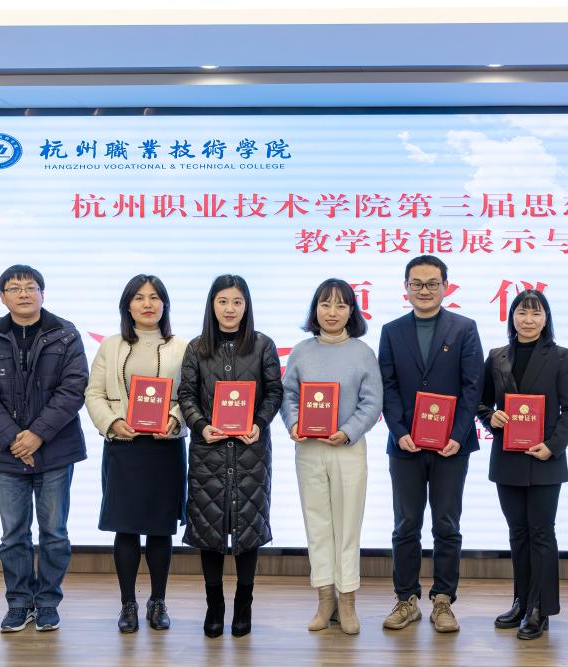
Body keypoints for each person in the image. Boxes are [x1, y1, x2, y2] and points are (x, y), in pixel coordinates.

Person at [0, 265, 88, 633]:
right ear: (2, 297)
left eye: (30, 287)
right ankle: (19, 603)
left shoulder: (66, 334)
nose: (23, 293)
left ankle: (48, 602)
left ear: (42, 294)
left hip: (56, 449)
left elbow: (73, 389)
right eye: (14, 288)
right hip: (6, 453)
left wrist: (37, 434)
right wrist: (14, 439)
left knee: (55, 533)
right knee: (13, 535)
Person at [378, 255, 484, 633]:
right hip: (405, 444)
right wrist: (399, 430)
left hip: (451, 447)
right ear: (406, 288)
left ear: (445, 287)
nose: (424, 290)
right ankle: (406, 599)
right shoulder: (391, 331)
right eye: (417, 283)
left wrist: (457, 434)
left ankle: (443, 600)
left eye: (432, 283)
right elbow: (387, 385)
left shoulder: (464, 328)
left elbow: (473, 386)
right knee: (405, 524)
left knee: (446, 524)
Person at [177, 275, 283, 638]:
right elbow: (186, 394)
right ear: (212, 305)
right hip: (208, 450)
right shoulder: (196, 348)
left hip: (251, 451)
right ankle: (214, 606)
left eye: (237, 302)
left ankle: (243, 605)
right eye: (223, 301)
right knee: (209, 529)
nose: (230, 309)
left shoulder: (263, 345)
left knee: (247, 528)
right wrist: (201, 425)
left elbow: (274, 392)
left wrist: (259, 423)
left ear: (246, 306)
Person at [84, 275, 188, 633]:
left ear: (165, 305)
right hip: (124, 447)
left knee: (160, 530)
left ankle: (158, 602)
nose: (147, 304)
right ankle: (127, 604)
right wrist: (112, 422)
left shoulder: (182, 347)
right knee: (125, 529)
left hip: (165, 448)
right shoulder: (111, 346)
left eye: (155, 297)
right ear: (127, 305)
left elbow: (191, 395)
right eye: (139, 297)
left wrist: (175, 419)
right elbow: (94, 393)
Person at [281, 279, 383, 635]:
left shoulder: (362, 353)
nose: (332, 312)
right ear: (315, 310)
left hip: (347, 449)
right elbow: (288, 395)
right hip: (309, 449)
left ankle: (348, 600)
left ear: (352, 312)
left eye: (341, 305)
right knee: (318, 524)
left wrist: (349, 431)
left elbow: (372, 401)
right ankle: (326, 599)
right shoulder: (301, 352)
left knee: (348, 526)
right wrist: (294, 423)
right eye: (325, 304)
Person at [477, 289, 568, 640]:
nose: (529, 320)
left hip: (545, 458)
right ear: (512, 317)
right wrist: (491, 417)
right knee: (517, 534)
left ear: (546, 318)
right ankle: (521, 602)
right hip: (507, 458)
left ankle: (541, 608)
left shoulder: (560, 357)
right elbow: (481, 404)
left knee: (541, 533)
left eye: (536, 313)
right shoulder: (497, 356)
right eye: (522, 312)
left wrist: (553, 446)